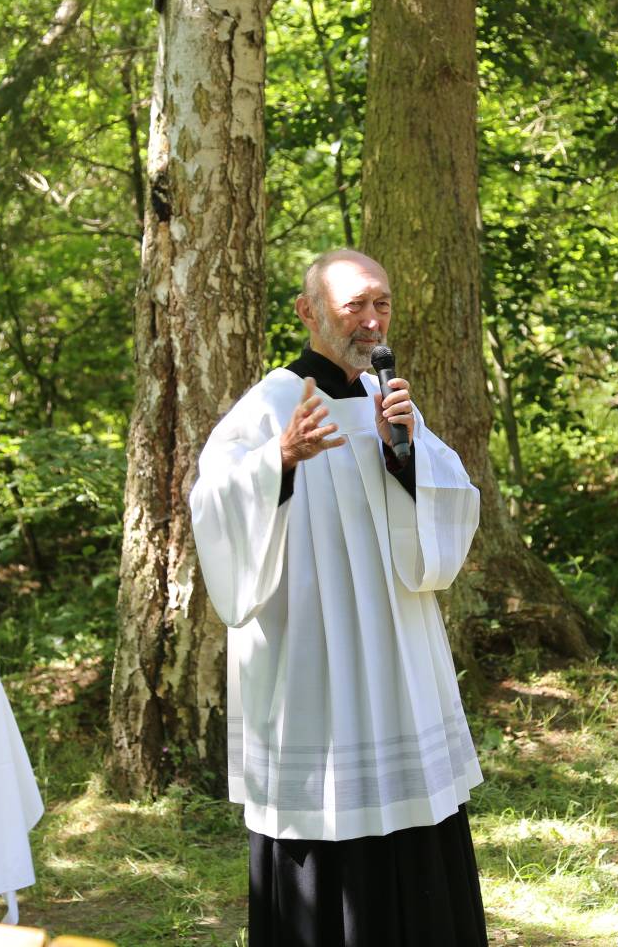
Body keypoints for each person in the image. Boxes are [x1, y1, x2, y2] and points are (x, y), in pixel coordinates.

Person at [189, 249, 487, 945]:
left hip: (396, 652)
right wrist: (279, 462)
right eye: (356, 305)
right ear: (308, 311)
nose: (372, 319)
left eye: (381, 303)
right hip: (312, 661)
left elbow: (450, 506)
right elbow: (214, 502)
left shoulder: (390, 404)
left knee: (413, 815)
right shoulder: (270, 405)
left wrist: (403, 452)